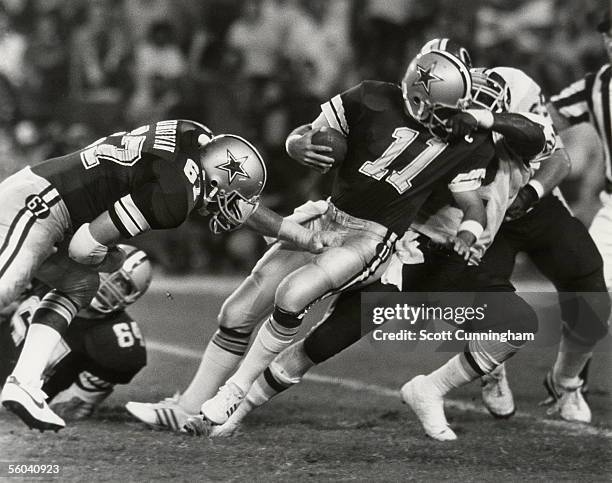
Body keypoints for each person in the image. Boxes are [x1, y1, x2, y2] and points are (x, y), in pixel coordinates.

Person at [126, 46, 494, 433]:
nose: (454, 119)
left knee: (293, 294)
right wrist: (298, 144)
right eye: (446, 109)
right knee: (236, 313)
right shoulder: (372, 97)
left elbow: (472, 202)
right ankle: (187, 407)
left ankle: (235, 390)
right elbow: (303, 134)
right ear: (419, 97)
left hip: (372, 238)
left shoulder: (467, 140)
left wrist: (469, 230)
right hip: (327, 216)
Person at [185, 64, 556, 441]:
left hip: (456, 260)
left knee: (516, 323)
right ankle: (234, 411)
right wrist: (299, 142)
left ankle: (432, 389)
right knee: (324, 340)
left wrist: (493, 132)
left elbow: (545, 144)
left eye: (472, 107)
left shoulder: (496, 133)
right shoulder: (435, 127)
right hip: (406, 252)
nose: (458, 114)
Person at [0, 118, 341, 432]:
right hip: (40, 205)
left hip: (56, 205)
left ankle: (24, 383)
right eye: (228, 199)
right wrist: (112, 257)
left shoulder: (192, 135)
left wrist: (301, 237)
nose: (227, 210)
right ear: (216, 184)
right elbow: (84, 246)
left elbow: (233, 199)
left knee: (80, 283)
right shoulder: (174, 198)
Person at [480, 14, 612, 423]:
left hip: (540, 202)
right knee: (592, 297)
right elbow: (546, 123)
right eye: (609, 36)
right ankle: (553, 381)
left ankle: (566, 382)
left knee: (589, 294)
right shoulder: (597, 86)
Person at [0, 245, 152, 423]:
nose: (107, 282)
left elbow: (68, 407)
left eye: (121, 283)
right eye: (108, 272)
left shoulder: (114, 339)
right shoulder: (54, 278)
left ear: (132, 296)